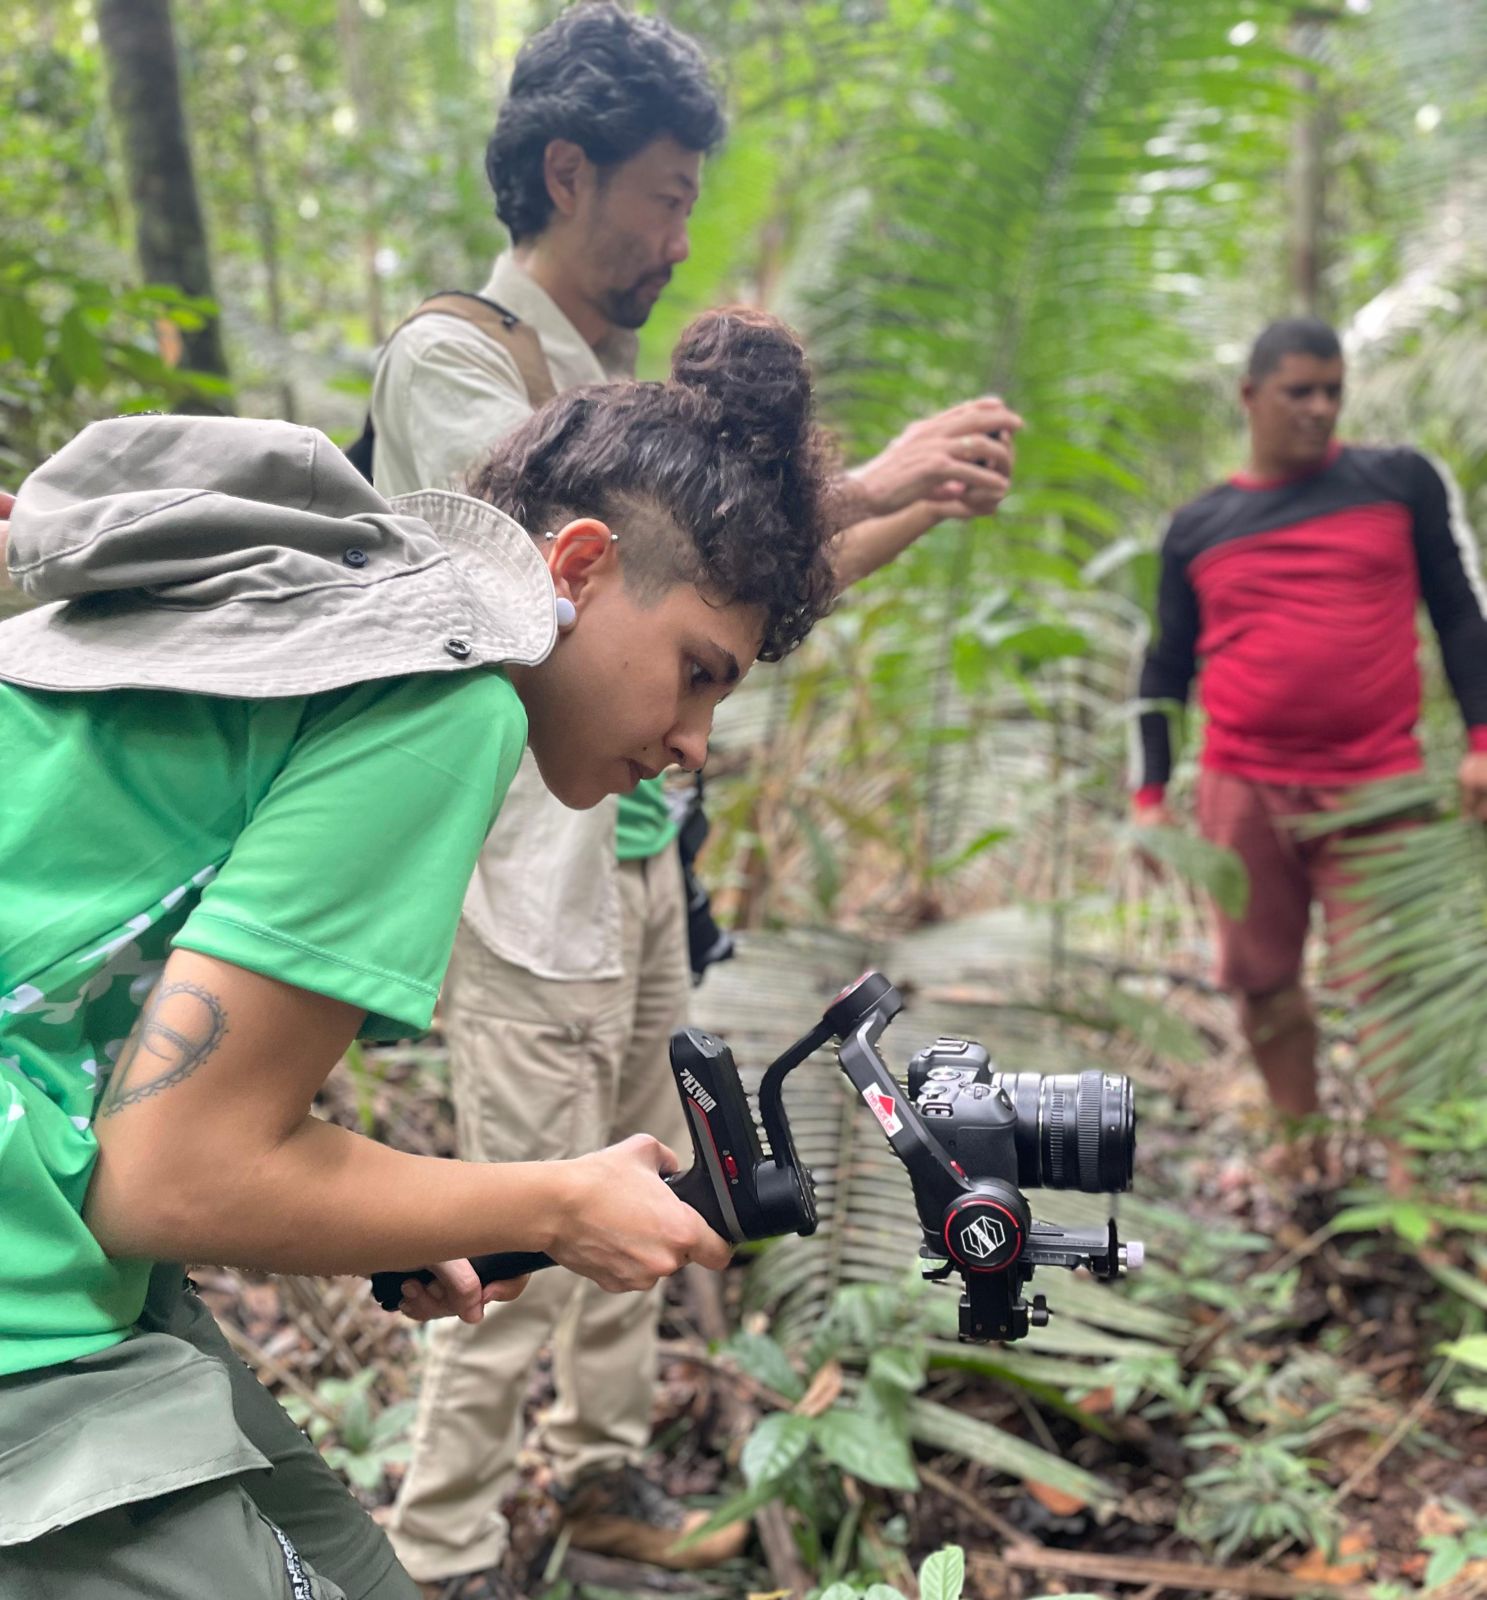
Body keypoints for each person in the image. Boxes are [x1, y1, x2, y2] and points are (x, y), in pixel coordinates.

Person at [0, 306, 840, 1600]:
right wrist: (552, 1203)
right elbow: (172, 1174)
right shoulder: (449, 705)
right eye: (693, 673)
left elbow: (165, 1086)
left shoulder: (343, 618)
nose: (692, 745)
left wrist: (392, 1220)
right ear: (576, 569)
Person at [367, 5, 1021, 1591]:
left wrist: (896, 512)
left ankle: (596, 1483)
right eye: (663, 194)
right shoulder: (461, 358)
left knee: (648, 1184)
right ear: (568, 171)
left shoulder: (605, 370)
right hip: (520, 884)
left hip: (635, 872)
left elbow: (716, 616)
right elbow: (565, 563)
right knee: (508, 1234)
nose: (679, 233)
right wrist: (853, 484)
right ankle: (440, 1548)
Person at [1131, 314, 1487, 1190]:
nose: (1321, 408)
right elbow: (1165, 665)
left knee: (1395, 982)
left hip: (1378, 783)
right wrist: (1148, 798)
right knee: (1260, 984)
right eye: (1300, 391)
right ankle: (1303, 1148)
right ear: (1250, 396)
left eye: (1333, 390)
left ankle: (1411, 1176)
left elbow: (1458, 614)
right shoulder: (1197, 527)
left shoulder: (1397, 483)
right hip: (1242, 788)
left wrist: (1481, 740)